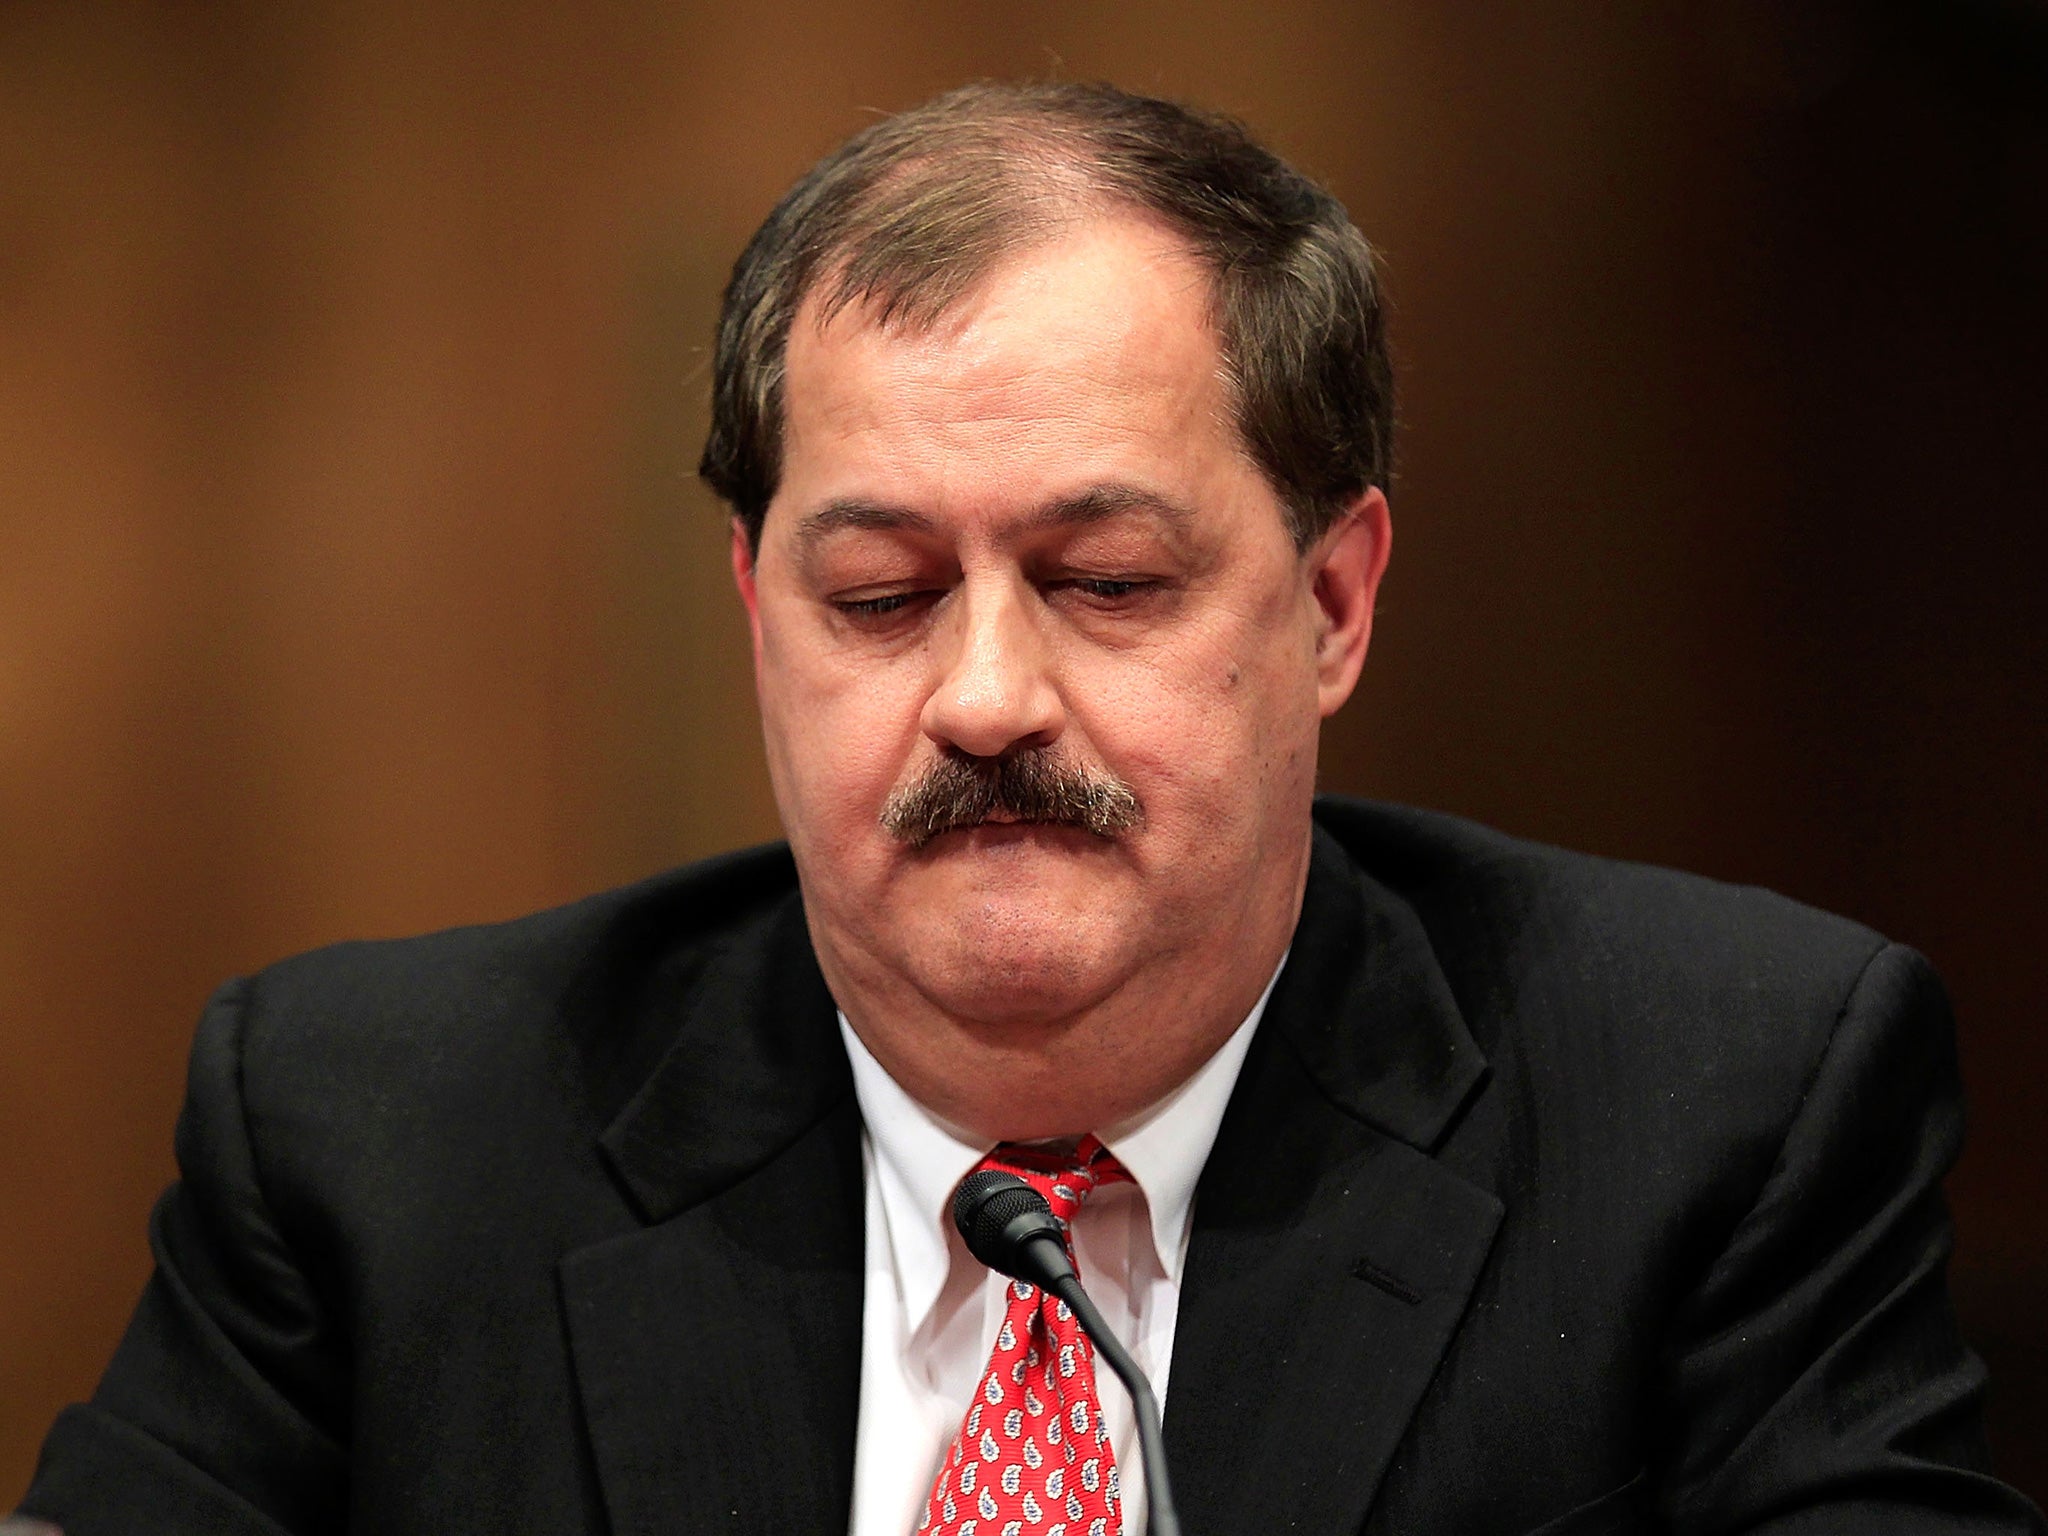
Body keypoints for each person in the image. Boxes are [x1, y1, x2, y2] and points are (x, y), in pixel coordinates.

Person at [15, 81, 2043, 1536]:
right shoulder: (381, 1133)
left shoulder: (1718, 1100)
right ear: (753, 610)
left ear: (1331, 603)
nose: (983, 696)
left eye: (1106, 582)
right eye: (878, 595)